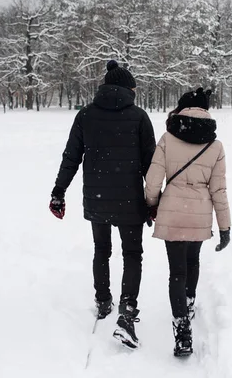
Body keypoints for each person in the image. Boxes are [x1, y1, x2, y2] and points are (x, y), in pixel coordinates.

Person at [49, 60, 156, 349]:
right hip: (131, 200)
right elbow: (152, 165)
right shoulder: (140, 117)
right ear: (127, 88)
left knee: (102, 250)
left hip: (97, 198)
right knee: (132, 253)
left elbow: (71, 156)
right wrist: (155, 200)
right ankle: (128, 309)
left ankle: (103, 300)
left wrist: (59, 191)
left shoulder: (86, 115)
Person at [145, 88, 231, 357]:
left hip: (172, 210)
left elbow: (153, 181)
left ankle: (182, 328)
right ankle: (189, 302)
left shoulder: (168, 139)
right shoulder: (215, 146)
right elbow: (219, 190)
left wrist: (152, 205)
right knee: (192, 261)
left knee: (176, 271)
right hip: (200, 213)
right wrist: (225, 227)